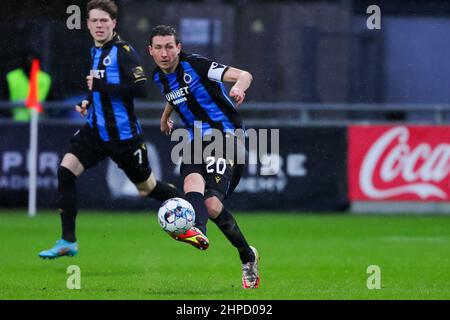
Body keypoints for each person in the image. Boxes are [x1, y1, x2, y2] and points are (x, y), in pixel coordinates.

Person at [38, 1, 183, 259]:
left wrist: (102, 86)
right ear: (88, 25)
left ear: (114, 23)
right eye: (94, 21)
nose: (99, 25)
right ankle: (67, 241)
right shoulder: (94, 51)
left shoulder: (123, 51)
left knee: (147, 188)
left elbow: (141, 89)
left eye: (104, 20)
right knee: (65, 171)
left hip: (123, 135)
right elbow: (99, 89)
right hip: (95, 130)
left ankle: (189, 209)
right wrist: (88, 101)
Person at [148, 25, 260, 289]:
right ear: (150, 51)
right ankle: (205, 234)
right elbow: (175, 96)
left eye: (169, 47)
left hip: (227, 136)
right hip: (197, 139)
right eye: (159, 48)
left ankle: (234, 248)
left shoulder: (197, 65)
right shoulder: (158, 77)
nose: (164, 53)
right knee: (197, 193)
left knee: (210, 204)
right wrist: (165, 117)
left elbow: (244, 75)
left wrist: (240, 88)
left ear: (179, 47)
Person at [2, 49, 52, 121]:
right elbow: (5, 101)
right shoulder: (11, 77)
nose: (29, 62)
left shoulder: (45, 79)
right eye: (27, 60)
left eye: (32, 60)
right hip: (14, 121)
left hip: (38, 122)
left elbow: (50, 102)